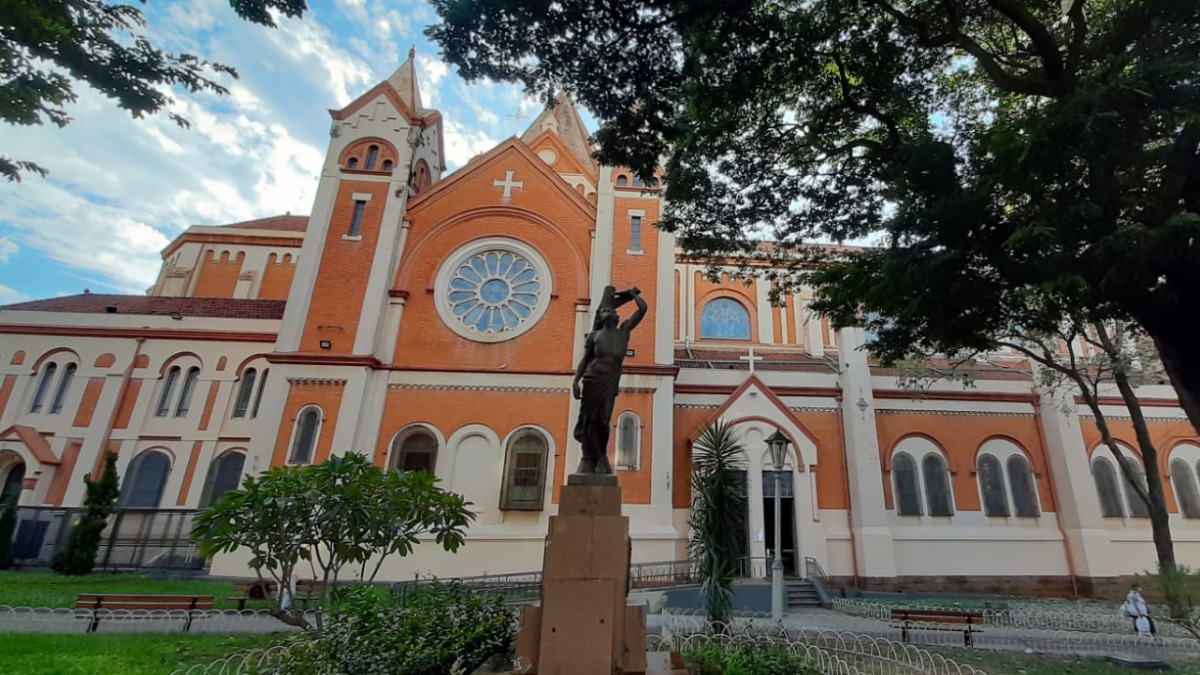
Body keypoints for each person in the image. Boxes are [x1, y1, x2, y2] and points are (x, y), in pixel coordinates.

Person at [572, 285, 647, 474]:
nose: (604, 312)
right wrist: (576, 381)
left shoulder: (624, 331)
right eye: (602, 310)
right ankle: (597, 458)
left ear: (616, 315)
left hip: (610, 381)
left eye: (607, 309)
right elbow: (585, 360)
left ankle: (600, 454)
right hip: (592, 379)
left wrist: (631, 295)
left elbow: (643, 309)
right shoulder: (594, 336)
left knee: (603, 420)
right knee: (590, 420)